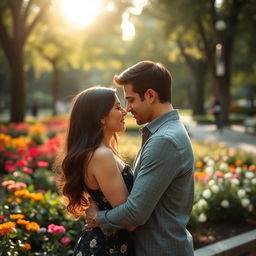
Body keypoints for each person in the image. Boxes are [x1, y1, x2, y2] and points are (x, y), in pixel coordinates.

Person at [86, 61, 195, 256]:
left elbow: (135, 213)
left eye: (131, 100)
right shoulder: (165, 133)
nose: (127, 109)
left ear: (150, 95)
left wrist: (97, 217)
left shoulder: (165, 140)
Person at [55, 86, 134, 255]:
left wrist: (99, 217)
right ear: (101, 117)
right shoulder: (101, 155)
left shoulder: (102, 151)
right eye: (117, 107)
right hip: (105, 247)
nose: (124, 112)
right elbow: (130, 219)